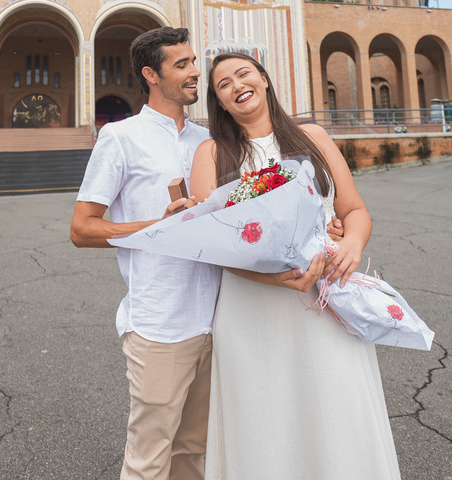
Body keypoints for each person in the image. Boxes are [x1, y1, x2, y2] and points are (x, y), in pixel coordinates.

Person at [190, 52, 403, 480]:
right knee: (263, 416)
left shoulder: (313, 137)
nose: (236, 85)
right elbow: (211, 242)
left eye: (244, 74)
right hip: (251, 305)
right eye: (223, 85)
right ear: (220, 102)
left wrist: (352, 247)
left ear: (265, 80)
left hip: (325, 296)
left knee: (335, 403)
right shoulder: (211, 153)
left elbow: (354, 210)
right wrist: (269, 275)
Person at [70, 27, 220, 480]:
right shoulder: (120, 137)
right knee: (148, 457)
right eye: (182, 65)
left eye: (195, 62)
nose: (196, 72)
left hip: (218, 319)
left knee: (193, 451)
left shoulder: (208, 140)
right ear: (151, 74)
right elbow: (82, 228)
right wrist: (161, 226)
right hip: (159, 324)